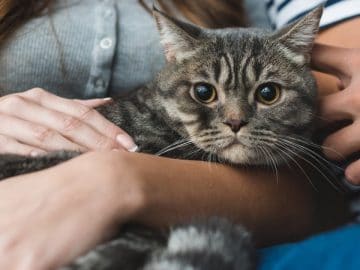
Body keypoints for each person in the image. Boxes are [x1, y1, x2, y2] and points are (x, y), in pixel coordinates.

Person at [0, 0, 358, 269]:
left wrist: (112, 179)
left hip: (252, 218)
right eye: (205, 93)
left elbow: (328, 163)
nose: (235, 119)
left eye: (267, 95)